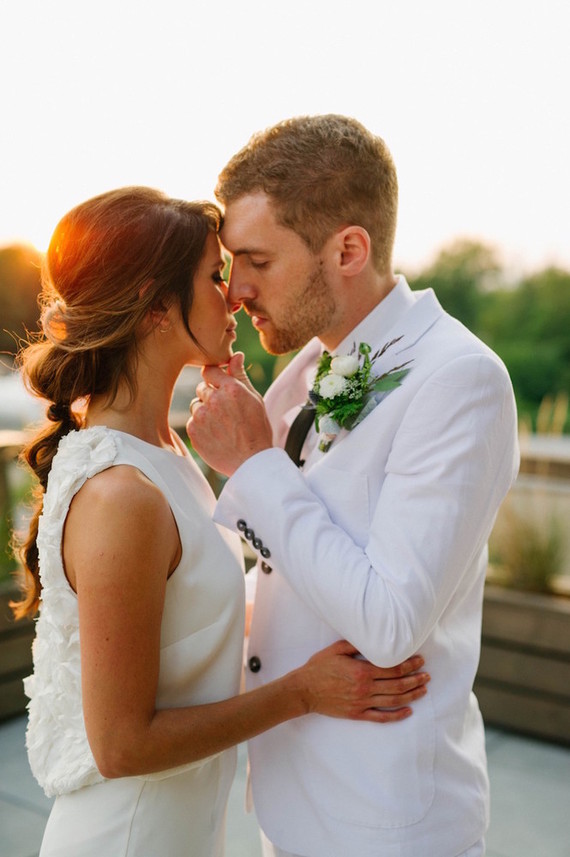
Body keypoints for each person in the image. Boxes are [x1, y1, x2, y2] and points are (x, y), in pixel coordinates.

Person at [12, 186, 430, 857]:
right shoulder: (121, 494)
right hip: (128, 836)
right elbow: (122, 746)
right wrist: (303, 692)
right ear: (154, 306)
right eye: (214, 276)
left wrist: (251, 447)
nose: (235, 294)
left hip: (183, 830)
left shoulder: (168, 452)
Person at [186, 115, 520, 857]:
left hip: (385, 821)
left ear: (347, 248)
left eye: (257, 260)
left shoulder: (460, 379)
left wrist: (253, 464)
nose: (235, 290)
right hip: (290, 802)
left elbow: (390, 618)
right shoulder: (307, 369)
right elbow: (287, 566)